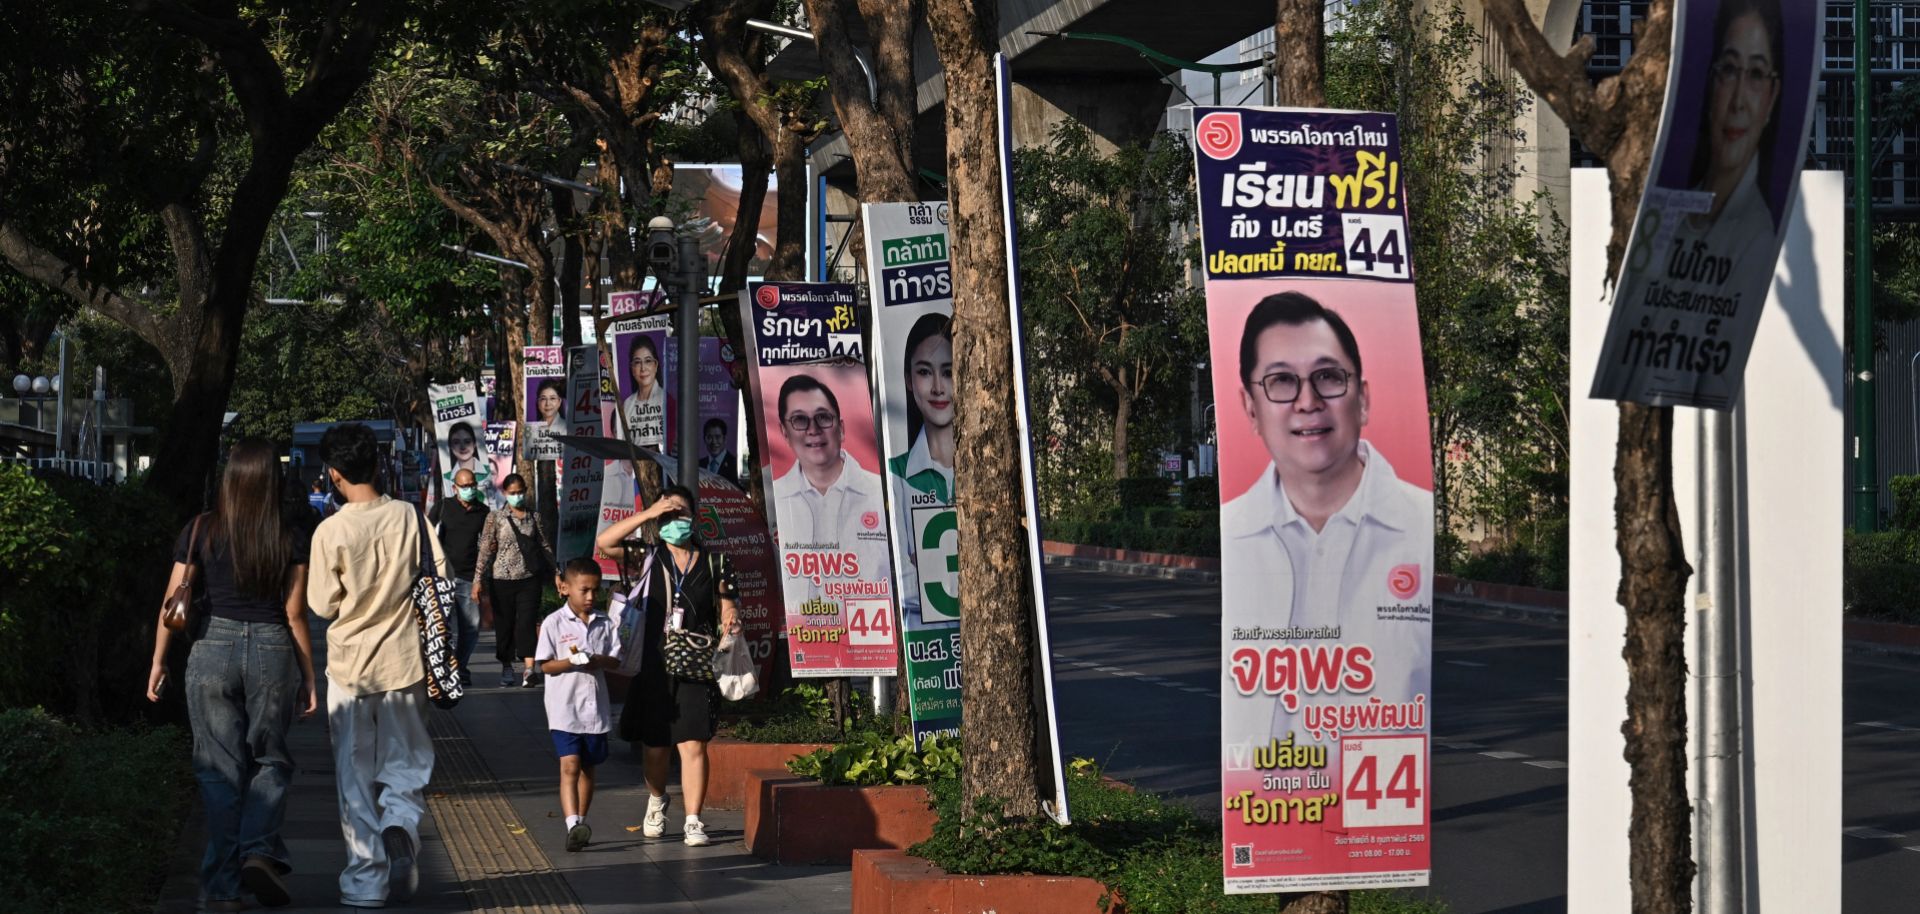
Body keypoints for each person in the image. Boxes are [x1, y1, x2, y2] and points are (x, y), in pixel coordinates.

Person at [1214, 292, 1431, 742]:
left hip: (1384, 801)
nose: (1308, 401)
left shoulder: (1416, 524)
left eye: (1328, 377)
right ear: (1251, 408)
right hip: (1265, 797)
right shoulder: (1232, 534)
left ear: (1363, 399)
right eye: (1281, 381)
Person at [146, 439, 317, 912]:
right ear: (273, 482)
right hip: (271, 646)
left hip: (211, 648)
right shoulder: (290, 534)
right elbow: (295, 611)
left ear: (229, 477)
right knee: (271, 760)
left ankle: (222, 884)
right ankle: (259, 851)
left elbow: (171, 603)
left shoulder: (201, 529)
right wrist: (309, 675)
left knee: (219, 770)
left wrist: (158, 662)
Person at [307, 422, 449, 908]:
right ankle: (400, 828)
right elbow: (441, 575)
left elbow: (323, 604)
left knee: (354, 774)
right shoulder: (410, 516)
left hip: (349, 667)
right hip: (405, 661)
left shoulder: (331, 529)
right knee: (406, 763)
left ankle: (365, 882)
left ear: (333, 474)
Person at [595, 485, 740, 848]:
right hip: (654, 664)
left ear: (695, 517)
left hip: (695, 663)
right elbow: (605, 542)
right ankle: (657, 799)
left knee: (693, 745)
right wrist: (648, 513)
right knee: (656, 748)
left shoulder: (714, 561)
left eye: (682, 513)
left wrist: (731, 620)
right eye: (669, 515)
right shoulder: (647, 556)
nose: (676, 521)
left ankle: (693, 819)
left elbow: (728, 603)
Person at [768, 373, 892, 604]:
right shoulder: (776, 498)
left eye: (823, 417)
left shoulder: (878, 492)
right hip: (806, 634)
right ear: (784, 432)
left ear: (841, 429)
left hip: (869, 633)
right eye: (799, 420)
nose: (813, 429)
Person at [534, 558, 622, 853]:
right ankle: (572, 823)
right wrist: (570, 661)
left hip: (594, 709)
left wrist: (598, 660)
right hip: (564, 709)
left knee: (588, 766)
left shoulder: (604, 623)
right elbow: (545, 665)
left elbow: (615, 658)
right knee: (569, 766)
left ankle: (581, 822)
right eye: (583, 590)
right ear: (565, 589)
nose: (589, 597)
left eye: (595, 591)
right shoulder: (554, 623)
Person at [886, 314, 955, 624]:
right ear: (908, 380)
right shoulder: (897, 475)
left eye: (949, 372)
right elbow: (904, 585)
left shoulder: (989, 471)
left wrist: (925, 565)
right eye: (925, 372)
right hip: (927, 647)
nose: (939, 388)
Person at [475, 473, 557, 688]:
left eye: (520, 491)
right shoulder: (495, 518)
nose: (517, 496)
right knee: (505, 624)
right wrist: (477, 580)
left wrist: (557, 571)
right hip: (501, 579)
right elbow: (484, 550)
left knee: (528, 622)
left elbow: (544, 545)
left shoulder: (534, 517)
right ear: (505, 493)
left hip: (529, 578)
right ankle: (507, 666)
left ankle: (529, 669)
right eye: (513, 493)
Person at [429, 467, 490, 685]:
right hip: (442, 577)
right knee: (441, 627)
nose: (469, 489)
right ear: (455, 488)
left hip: (468, 578)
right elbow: (427, 536)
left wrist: (479, 580)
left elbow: (486, 547)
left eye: (472, 485)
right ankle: (443, 670)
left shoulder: (483, 512)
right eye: (464, 486)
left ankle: (460, 666)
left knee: (471, 628)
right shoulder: (443, 507)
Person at [618, 335, 674, 451]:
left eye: (648, 361)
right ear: (632, 368)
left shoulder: (668, 401)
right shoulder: (627, 405)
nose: (643, 368)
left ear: (656, 365)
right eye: (637, 362)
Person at [439, 421, 488, 494]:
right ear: (450, 446)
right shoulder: (447, 478)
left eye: (467, 441)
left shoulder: (489, 472)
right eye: (456, 442)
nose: (462, 447)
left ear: (474, 444)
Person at [702, 417, 739, 486]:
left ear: (724, 439)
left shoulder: (734, 464)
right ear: (704, 439)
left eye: (718, 437)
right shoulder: (699, 465)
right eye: (709, 437)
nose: (714, 442)